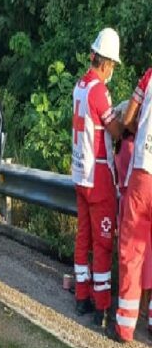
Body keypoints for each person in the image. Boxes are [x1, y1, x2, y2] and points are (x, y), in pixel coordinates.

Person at [71, 28, 123, 326]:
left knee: (83, 237)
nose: (112, 69)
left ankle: (81, 296)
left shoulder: (80, 86)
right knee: (102, 242)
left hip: (80, 173)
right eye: (113, 64)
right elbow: (114, 130)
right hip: (98, 175)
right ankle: (101, 305)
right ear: (106, 62)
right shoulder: (99, 91)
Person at [108, 66, 152, 342]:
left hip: (144, 173)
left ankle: (125, 326)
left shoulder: (149, 76)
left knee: (132, 251)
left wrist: (138, 129)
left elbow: (127, 117)